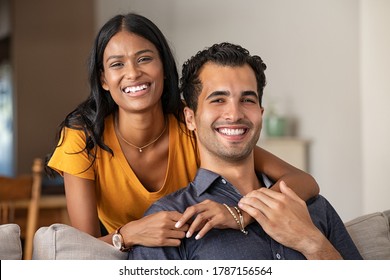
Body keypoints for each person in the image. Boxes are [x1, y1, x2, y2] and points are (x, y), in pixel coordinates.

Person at [45, 13, 319, 250]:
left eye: (144, 59)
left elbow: (302, 181)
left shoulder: (190, 122)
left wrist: (242, 214)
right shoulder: (82, 137)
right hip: (123, 258)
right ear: (104, 79)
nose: (133, 73)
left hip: (196, 249)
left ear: (164, 68)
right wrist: (129, 235)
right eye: (117, 64)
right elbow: (83, 247)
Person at [129, 42, 362, 259]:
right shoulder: (171, 221)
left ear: (261, 114)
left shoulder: (313, 206)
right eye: (218, 100)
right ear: (190, 118)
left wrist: (312, 244)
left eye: (247, 100)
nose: (235, 114)